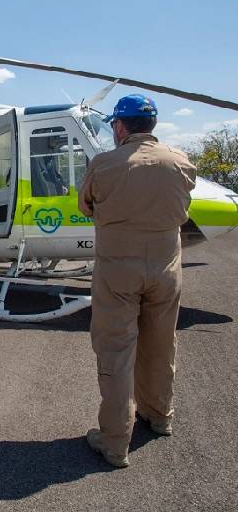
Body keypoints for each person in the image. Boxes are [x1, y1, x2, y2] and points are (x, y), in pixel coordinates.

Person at [78, 94, 196, 468]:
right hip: (166, 271)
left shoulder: (104, 164)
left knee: (117, 350)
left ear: (120, 126)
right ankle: (160, 416)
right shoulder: (180, 162)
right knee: (161, 345)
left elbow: (86, 205)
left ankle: (115, 441)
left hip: (118, 273)